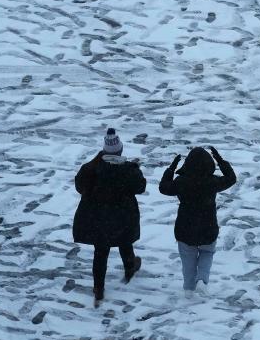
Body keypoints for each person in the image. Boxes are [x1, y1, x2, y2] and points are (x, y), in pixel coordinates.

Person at [73, 128, 146, 306]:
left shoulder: (91, 168)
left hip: (98, 218)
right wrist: (135, 170)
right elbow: (140, 187)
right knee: (125, 242)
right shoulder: (128, 170)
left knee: (101, 252)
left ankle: (99, 288)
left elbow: (79, 186)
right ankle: (130, 268)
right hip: (122, 216)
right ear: (120, 150)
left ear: (104, 150)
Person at [159, 145, 236, 298]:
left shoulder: (181, 182)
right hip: (208, 227)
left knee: (188, 258)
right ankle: (202, 280)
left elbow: (163, 187)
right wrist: (220, 160)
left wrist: (171, 168)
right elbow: (231, 179)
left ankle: (188, 289)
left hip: (185, 228)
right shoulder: (212, 181)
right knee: (207, 253)